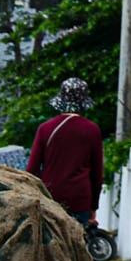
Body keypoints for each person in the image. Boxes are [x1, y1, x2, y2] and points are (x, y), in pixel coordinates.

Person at [27, 77, 105, 239]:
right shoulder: (92, 130)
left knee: (51, 244)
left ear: (60, 101)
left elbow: (32, 169)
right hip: (80, 199)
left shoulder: (45, 128)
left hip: (50, 197)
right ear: (84, 102)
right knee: (77, 244)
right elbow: (97, 174)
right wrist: (93, 206)